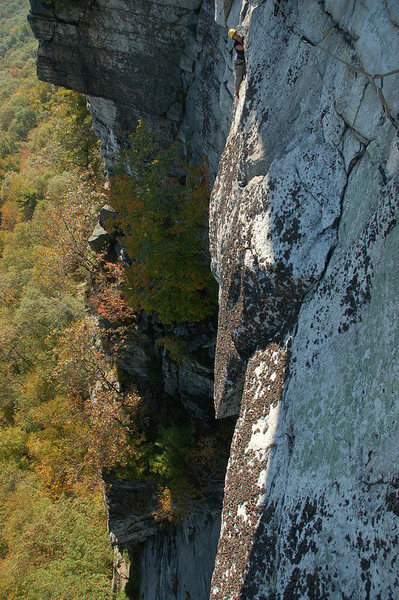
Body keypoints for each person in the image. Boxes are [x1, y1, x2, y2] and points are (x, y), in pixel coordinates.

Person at [228, 28, 246, 98]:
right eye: (234, 35)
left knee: (243, 74)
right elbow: (244, 47)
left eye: (235, 32)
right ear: (233, 38)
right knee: (238, 78)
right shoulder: (236, 44)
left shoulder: (242, 37)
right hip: (238, 63)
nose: (236, 34)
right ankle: (237, 93)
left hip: (242, 60)